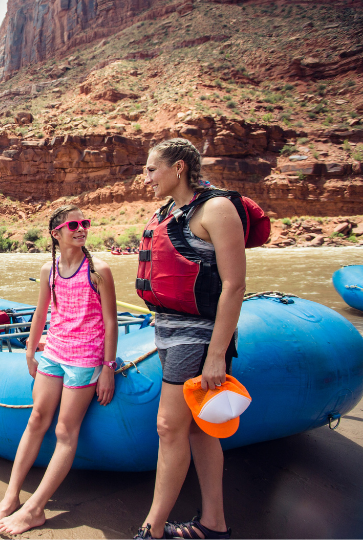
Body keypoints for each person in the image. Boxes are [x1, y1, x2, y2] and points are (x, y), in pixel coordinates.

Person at [134, 138, 245, 539]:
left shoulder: (216, 209)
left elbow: (234, 286)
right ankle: (214, 523)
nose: (145, 178)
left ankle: (154, 528)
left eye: (151, 169)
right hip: (168, 329)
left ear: (178, 168)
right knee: (197, 427)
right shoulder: (168, 211)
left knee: (169, 426)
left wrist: (217, 355)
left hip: (196, 337)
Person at [0, 204, 119, 536]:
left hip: (86, 358)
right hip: (54, 352)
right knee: (36, 419)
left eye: (85, 223)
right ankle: (10, 498)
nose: (81, 228)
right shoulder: (50, 270)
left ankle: (35, 509)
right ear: (55, 233)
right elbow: (40, 312)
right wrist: (31, 351)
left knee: (64, 431)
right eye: (73, 224)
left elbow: (111, 321)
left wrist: (107, 368)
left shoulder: (98, 270)